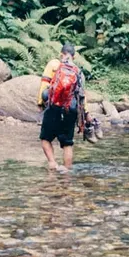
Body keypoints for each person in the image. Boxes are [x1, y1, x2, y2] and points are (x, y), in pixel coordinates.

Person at [39, 43, 86, 171]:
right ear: (74, 56)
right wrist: (84, 116)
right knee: (67, 143)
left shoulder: (54, 64)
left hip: (54, 107)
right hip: (70, 109)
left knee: (45, 138)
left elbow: (44, 85)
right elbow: (82, 96)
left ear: (61, 54)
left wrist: (40, 103)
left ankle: (52, 164)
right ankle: (66, 172)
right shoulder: (78, 71)